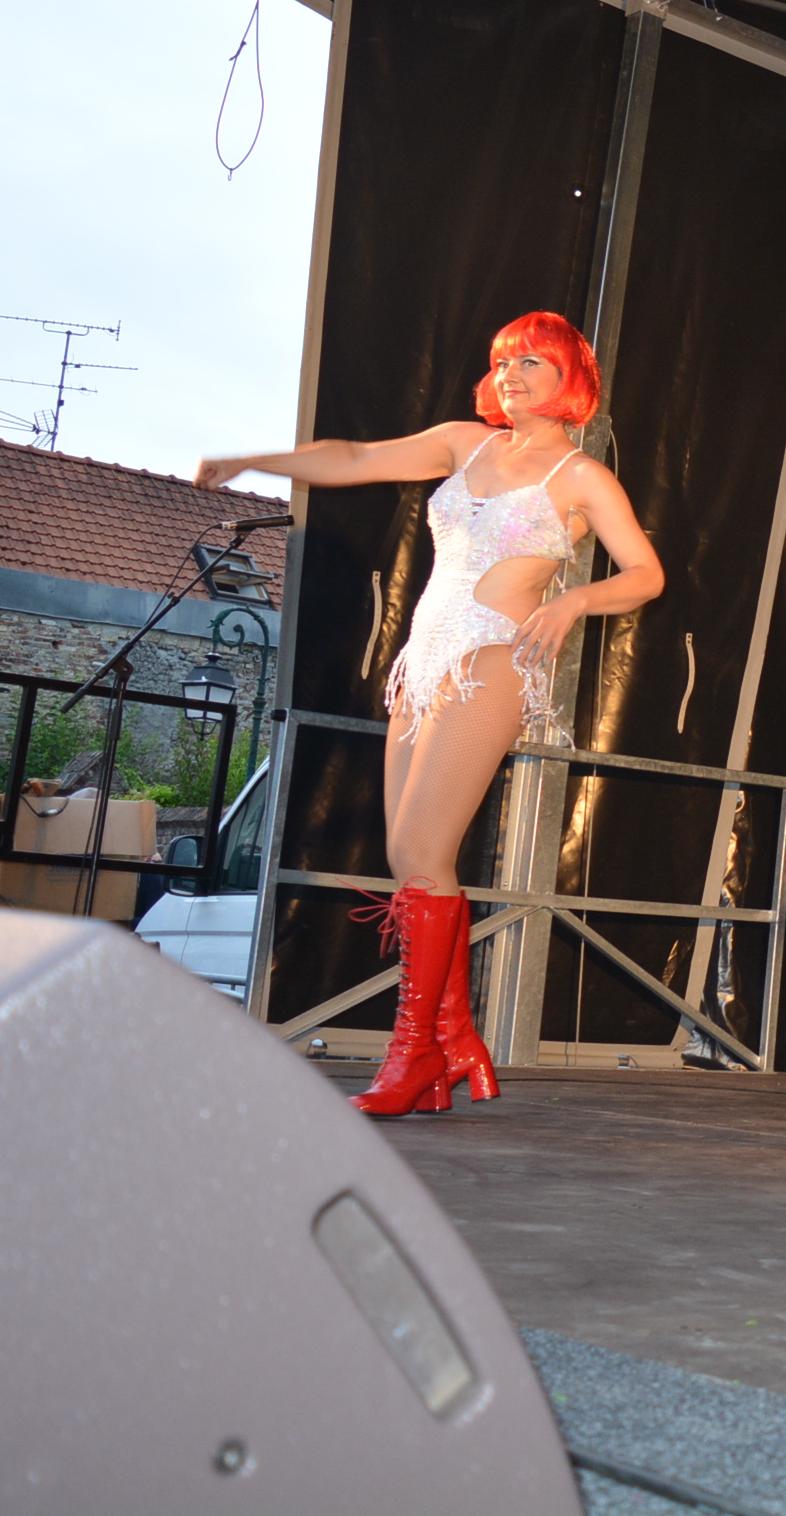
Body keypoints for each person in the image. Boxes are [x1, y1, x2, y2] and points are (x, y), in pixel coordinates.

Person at [198, 312, 663, 1116]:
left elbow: (646, 573)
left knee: (419, 848)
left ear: (570, 379)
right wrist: (253, 460)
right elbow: (354, 457)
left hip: (495, 656)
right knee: (409, 857)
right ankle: (452, 1041)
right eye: (503, 361)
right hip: (425, 660)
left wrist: (575, 600)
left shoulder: (581, 477)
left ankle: (414, 1054)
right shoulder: (463, 442)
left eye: (531, 362)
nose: (511, 374)